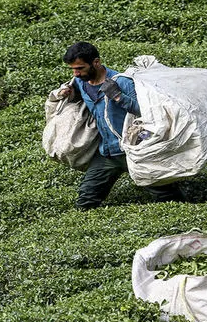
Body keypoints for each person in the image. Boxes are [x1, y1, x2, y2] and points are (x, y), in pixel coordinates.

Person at [60, 41, 184, 210]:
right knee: (85, 200)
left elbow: (146, 112)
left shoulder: (123, 82)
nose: (76, 73)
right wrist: (69, 94)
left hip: (133, 149)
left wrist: (118, 97)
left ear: (96, 62)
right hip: (107, 152)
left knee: (168, 196)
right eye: (73, 69)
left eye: (80, 68)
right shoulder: (80, 83)